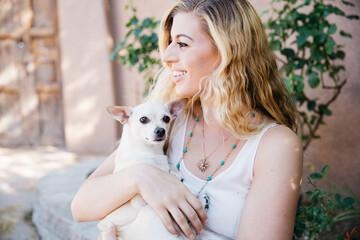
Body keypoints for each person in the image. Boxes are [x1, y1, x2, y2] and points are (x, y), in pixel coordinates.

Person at [71, 0, 303, 239]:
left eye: (182, 43)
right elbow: (81, 206)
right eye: (170, 42)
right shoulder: (169, 123)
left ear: (228, 51)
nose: (167, 55)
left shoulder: (274, 145)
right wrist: (141, 176)